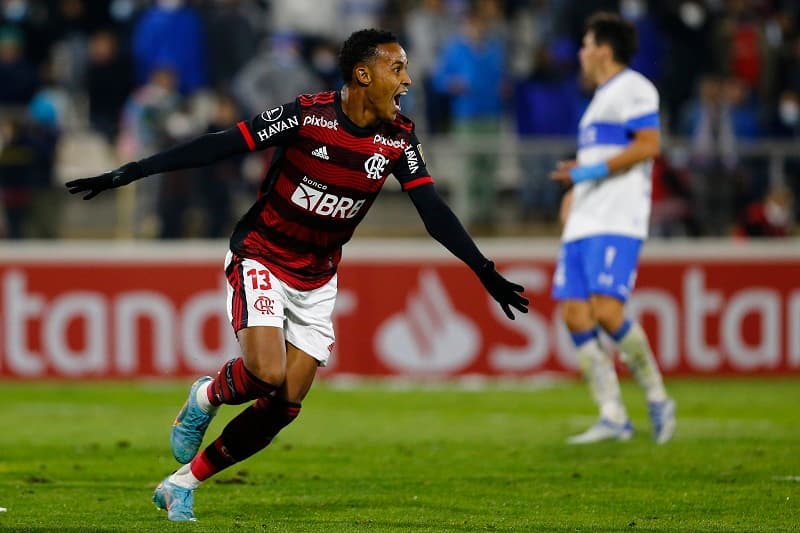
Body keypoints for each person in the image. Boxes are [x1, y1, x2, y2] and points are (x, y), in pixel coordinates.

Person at [66, 29, 529, 522]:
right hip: (262, 255)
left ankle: (182, 483)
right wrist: (132, 171)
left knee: (285, 405)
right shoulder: (307, 116)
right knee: (265, 373)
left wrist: (483, 268)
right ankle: (205, 396)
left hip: (317, 277)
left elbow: (432, 210)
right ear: (363, 74)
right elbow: (221, 145)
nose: (407, 80)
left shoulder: (399, 139)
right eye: (397, 69)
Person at [549, 13, 675, 445]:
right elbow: (597, 161)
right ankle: (613, 414)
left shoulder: (635, 88)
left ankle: (657, 395)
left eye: (586, 45)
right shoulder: (598, 101)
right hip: (586, 218)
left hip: (617, 218)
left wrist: (588, 173)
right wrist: (575, 189)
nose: (581, 54)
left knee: (607, 311)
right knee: (574, 314)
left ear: (604, 50)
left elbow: (649, 145)